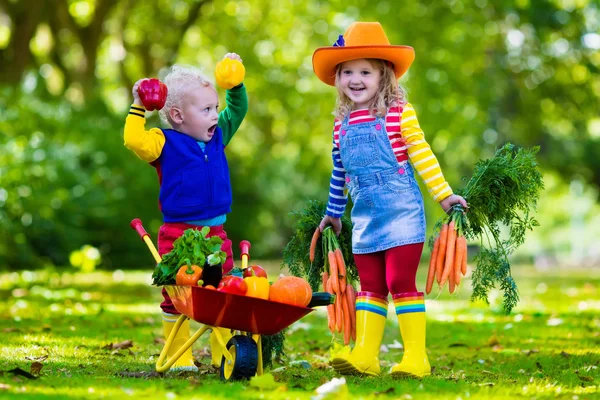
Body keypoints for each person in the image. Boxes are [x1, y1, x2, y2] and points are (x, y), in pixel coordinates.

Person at [312, 22, 467, 378]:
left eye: (365, 71)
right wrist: (333, 213)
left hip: (401, 213)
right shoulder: (341, 124)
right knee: (370, 286)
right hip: (365, 216)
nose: (355, 79)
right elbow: (339, 172)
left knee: (399, 281)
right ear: (337, 79)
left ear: (384, 76)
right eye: (347, 71)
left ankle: (416, 357)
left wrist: (443, 195)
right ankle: (367, 355)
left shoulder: (399, 113)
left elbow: (422, 154)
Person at [123, 54, 248, 371]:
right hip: (179, 235)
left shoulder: (218, 136)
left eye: (215, 107)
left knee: (222, 293)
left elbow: (239, 109)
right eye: (206, 109)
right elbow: (133, 139)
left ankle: (224, 356)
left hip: (216, 233)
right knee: (177, 295)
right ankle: (180, 357)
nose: (214, 115)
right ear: (177, 115)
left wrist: (235, 85)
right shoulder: (163, 142)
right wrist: (139, 105)